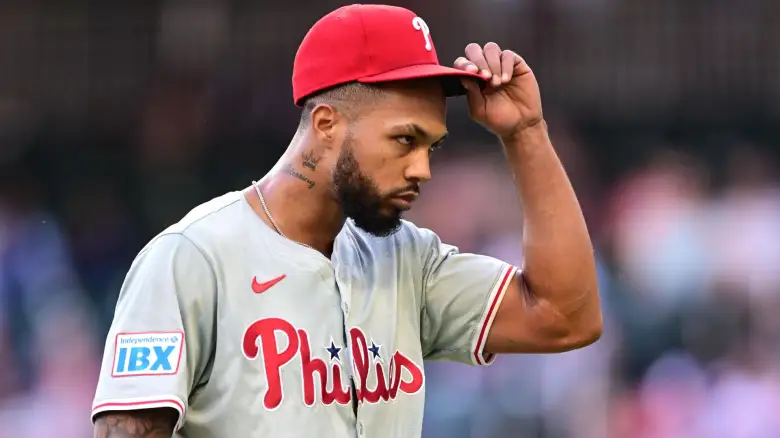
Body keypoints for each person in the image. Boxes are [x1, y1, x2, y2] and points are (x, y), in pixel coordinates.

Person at [91, 4, 602, 438]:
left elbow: (564, 317)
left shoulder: (407, 260)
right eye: (405, 139)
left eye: (431, 147)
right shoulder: (192, 257)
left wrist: (526, 134)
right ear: (326, 124)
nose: (422, 169)